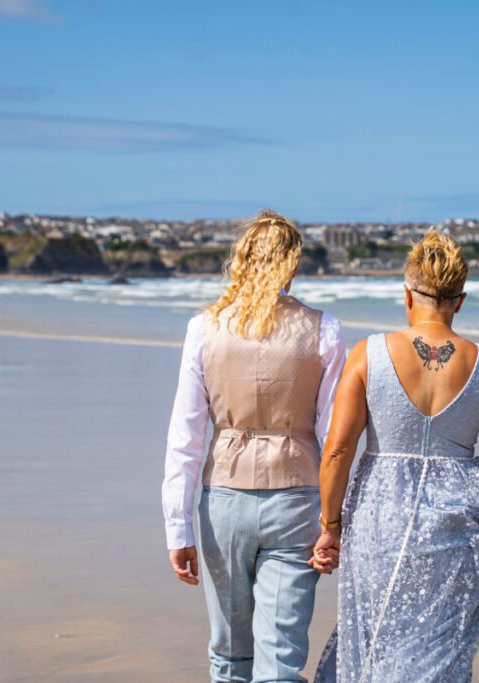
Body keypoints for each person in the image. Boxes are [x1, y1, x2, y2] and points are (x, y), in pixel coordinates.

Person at [310, 230, 479, 682]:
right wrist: (454, 499)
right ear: (459, 301)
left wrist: (330, 527)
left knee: (376, 643)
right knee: (439, 658)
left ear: (406, 293)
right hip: (460, 527)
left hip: (379, 520)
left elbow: (338, 452)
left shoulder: (369, 354)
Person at [161, 210, 346, 682]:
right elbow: (332, 440)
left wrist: (178, 528)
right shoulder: (324, 330)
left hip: (223, 502)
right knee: (280, 661)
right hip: (297, 499)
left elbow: (186, 438)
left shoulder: (204, 328)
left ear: (241, 261)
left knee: (229, 657)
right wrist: (333, 522)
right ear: (294, 266)